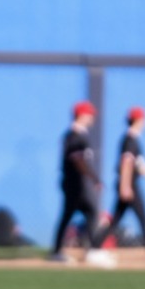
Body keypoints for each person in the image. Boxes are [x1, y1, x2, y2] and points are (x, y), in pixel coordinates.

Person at [86, 106, 145, 269]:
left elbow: (140, 166)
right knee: (143, 218)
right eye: (144, 119)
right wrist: (125, 186)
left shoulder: (134, 140)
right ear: (138, 120)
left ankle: (95, 249)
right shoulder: (129, 140)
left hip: (128, 184)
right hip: (128, 185)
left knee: (118, 219)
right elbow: (126, 162)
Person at [49, 101, 101, 262]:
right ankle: (91, 250)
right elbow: (77, 159)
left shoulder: (79, 135)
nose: (92, 118)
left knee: (78, 214)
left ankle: (60, 250)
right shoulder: (74, 135)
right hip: (76, 183)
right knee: (90, 212)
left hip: (77, 182)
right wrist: (93, 178)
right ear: (82, 115)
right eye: (90, 115)